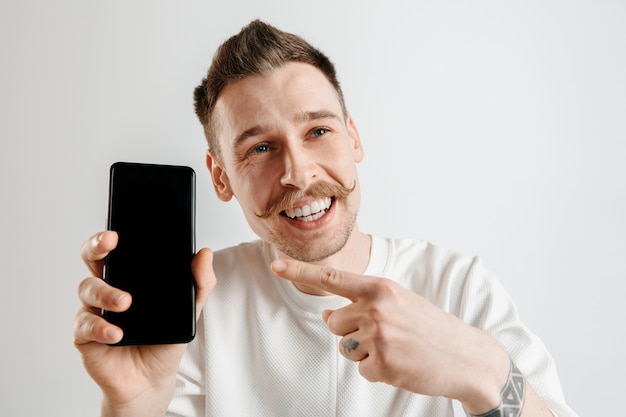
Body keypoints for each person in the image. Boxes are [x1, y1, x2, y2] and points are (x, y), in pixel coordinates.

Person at [74, 20, 578, 417]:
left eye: (317, 131)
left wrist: (483, 370)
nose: (298, 172)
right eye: (261, 147)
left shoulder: (458, 286)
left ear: (353, 137)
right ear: (221, 176)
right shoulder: (198, 306)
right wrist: (129, 407)